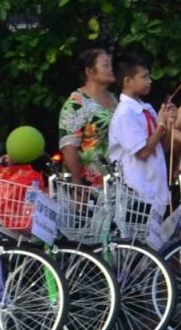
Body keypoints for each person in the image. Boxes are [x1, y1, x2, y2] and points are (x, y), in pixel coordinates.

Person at [108, 53, 173, 213]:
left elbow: (163, 147)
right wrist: (161, 126)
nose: (150, 81)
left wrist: (169, 122)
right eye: (144, 77)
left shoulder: (147, 108)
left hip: (155, 188)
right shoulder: (125, 112)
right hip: (136, 193)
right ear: (128, 81)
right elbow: (143, 152)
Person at [58, 47, 118, 185]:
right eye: (105, 65)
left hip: (116, 179)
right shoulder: (77, 103)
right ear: (90, 71)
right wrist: (76, 180)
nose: (111, 68)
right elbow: (69, 146)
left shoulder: (115, 99)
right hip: (90, 183)